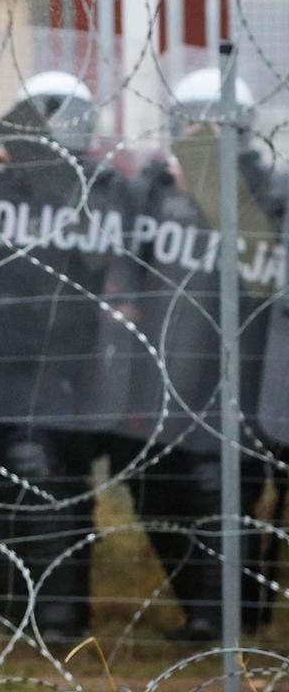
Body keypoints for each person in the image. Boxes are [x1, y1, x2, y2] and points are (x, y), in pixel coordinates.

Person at [0, 70, 133, 639]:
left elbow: (93, 293)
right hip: (0, 363)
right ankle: (6, 607)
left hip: (61, 366)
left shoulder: (100, 192)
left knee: (53, 480)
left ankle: (57, 616)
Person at [99, 66, 286, 639]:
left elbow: (266, 276)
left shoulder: (269, 190)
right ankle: (213, 603)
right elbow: (120, 253)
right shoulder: (157, 188)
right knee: (151, 483)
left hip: (239, 374)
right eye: (191, 121)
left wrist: (208, 185)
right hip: (163, 367)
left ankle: (222, 616)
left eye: (213, 122)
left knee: (219, 485)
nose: (201, 132)